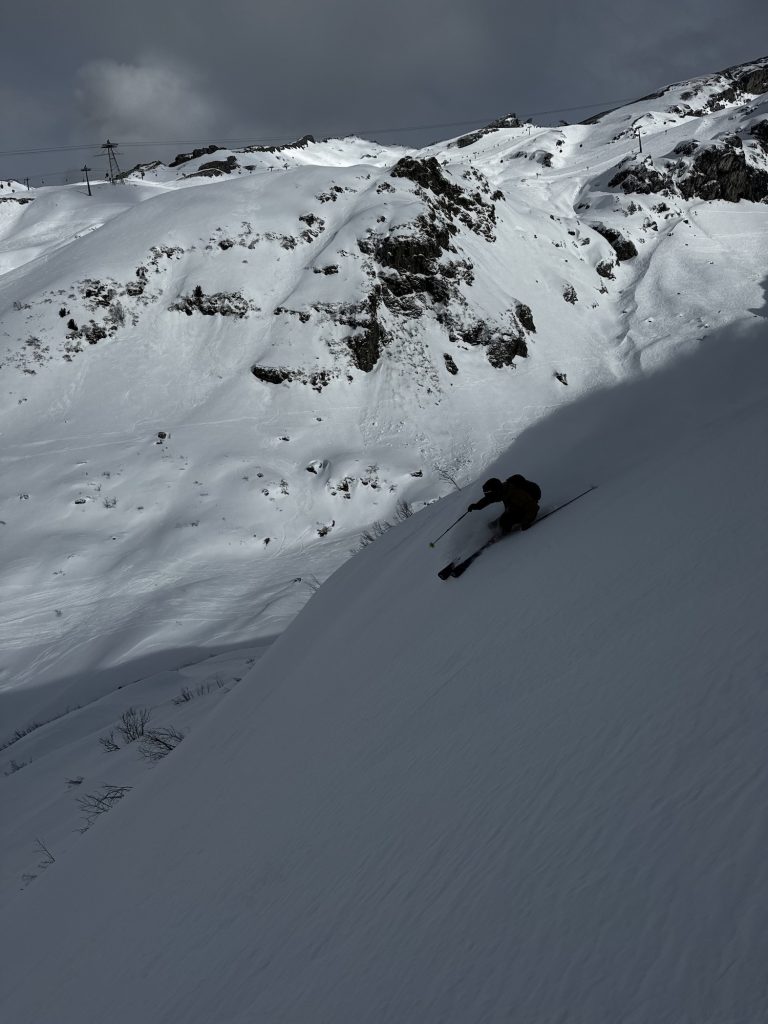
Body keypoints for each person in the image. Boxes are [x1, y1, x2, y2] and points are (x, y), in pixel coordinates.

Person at [468, 475, 541, 533]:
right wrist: (477, 506)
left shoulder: (516, 494)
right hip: (515, 506)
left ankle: (505, 529)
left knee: (505, 522)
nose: (489, 497)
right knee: (494, 524)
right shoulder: (502, 491)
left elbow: (533, 507)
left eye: (490, 495)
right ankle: (503, 526)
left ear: (496, 492)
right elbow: (489, 499)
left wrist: (526, 522)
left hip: (526, 508)